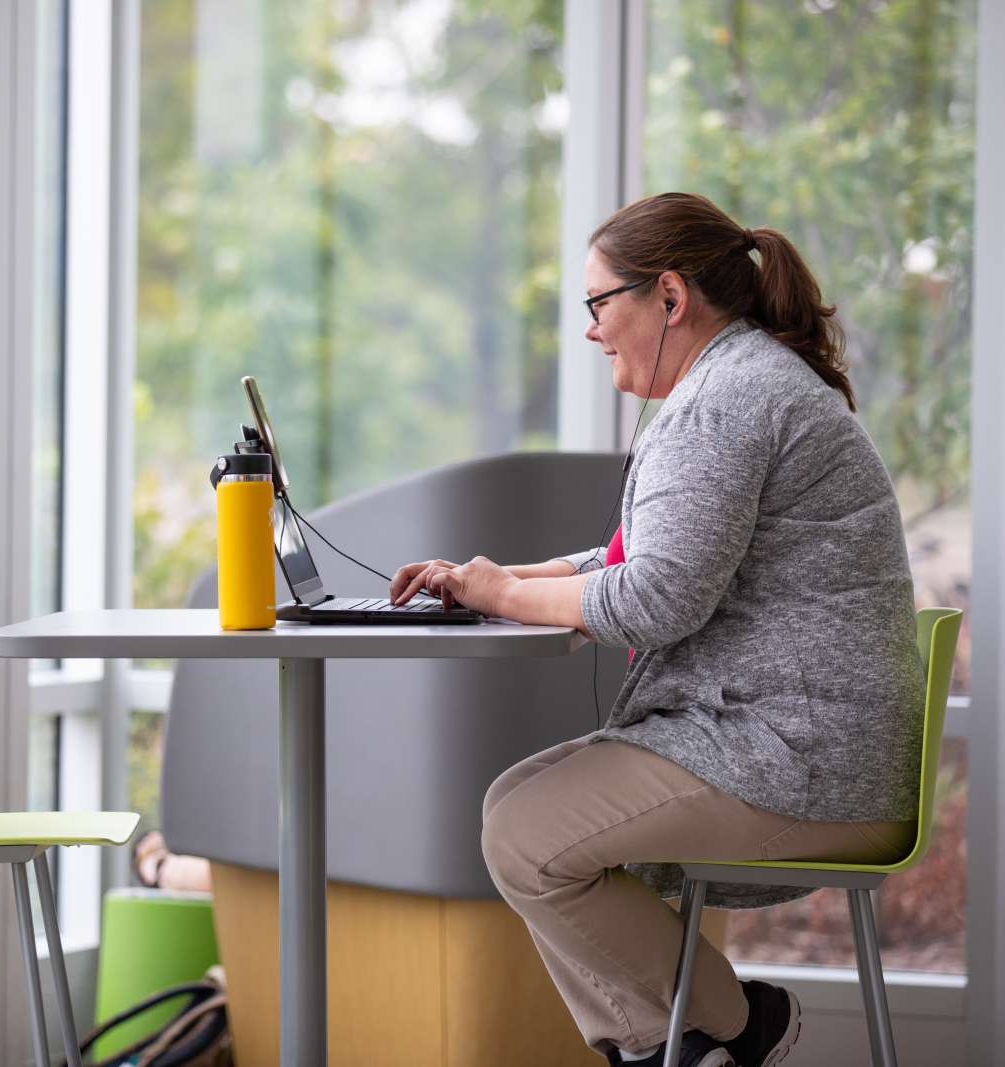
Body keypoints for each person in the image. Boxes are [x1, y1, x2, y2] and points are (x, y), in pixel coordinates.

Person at [387, 192, 923, 1067]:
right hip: (800, 743)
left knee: (525, 832)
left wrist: (507, 595)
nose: (592, 330)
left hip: (799, 759)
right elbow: (636, 557)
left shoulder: (724, 402)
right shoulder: (739, 383)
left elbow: (653, 598)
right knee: (514, 812)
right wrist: (498, 581)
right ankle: (692, 1040)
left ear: (669, 298)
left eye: (600, 304)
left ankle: (718, 1033)